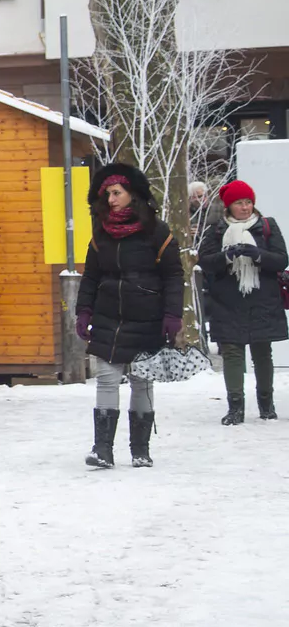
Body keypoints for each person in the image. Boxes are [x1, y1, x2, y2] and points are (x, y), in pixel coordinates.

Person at [76, 162, 186, 468]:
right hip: (109, 315)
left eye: (116, 192)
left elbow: (174, 276)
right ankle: (103, 449)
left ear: (131, 194)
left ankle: (140, 449)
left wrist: (172, 315)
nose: (110, 199)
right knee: (107, 379)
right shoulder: (101, 234)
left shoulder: (156, 231)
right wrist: (83, 311)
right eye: (107, 194)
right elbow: (91, 277)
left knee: (141, 381)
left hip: (147, 316)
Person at [196, 178, 288, 425]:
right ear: (229, 206)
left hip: (263, 300)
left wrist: (258, 255)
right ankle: (235, 407)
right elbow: (205, 261)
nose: (245, 207)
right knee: (233, 353)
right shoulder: (216, 230)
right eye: (239, 203)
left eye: (248, 202)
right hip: (228, 301)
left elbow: (281, 259)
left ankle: (266, 404)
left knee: (262, 353)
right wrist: (226, 257)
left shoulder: (267, 226)